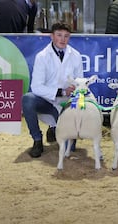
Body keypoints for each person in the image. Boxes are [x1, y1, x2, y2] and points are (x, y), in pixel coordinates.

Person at [22, 22, 83, 158]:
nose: (62, 39)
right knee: (27, 99)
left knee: (70, 149)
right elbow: (36, 87)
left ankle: (55, 128)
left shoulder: (76, 55)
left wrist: (77, 93)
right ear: (51, 36)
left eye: (66, 36)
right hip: (47, 102)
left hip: (67, 104)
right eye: (59, 35)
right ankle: (37, 140)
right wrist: (61, 91)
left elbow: (80, 82)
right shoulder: (42, 56)